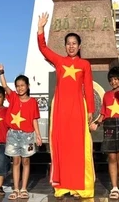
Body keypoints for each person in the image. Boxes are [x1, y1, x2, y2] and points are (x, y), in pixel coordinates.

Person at [37, 12, 95, 198]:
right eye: (68, 43)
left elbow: (88, 87)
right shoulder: (59, 61)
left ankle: (80, 186)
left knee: (78, 147)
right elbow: (43, 49)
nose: (71, 46)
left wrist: (91, 110)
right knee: (62, 146)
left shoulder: (85, 64)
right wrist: (41, 29)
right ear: (65, 46)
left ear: (79, 46)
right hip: (60, 109)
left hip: (78, 109)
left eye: (74, 43)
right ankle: (62, 185)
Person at [0, 64, 42, 200]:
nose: (20, 88)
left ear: (28, 86)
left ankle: (24, 189)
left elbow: (34, 119)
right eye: (18, 86)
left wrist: (37, 135)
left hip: (27, 136)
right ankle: (15, 188)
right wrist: (1, 72)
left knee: (26, 161)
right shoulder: (13, 98)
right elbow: (5, 86)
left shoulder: (33, 102)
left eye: (22, 85)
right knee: (15, 161)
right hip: (13, 134)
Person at [90, 66, 119, 200]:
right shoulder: (107, 95)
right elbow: (103, 113)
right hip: (109, 126)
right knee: (112, 158)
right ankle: (114, 187)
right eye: (111, 80)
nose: (114, 82)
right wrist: (97, 123)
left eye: (116, 79)